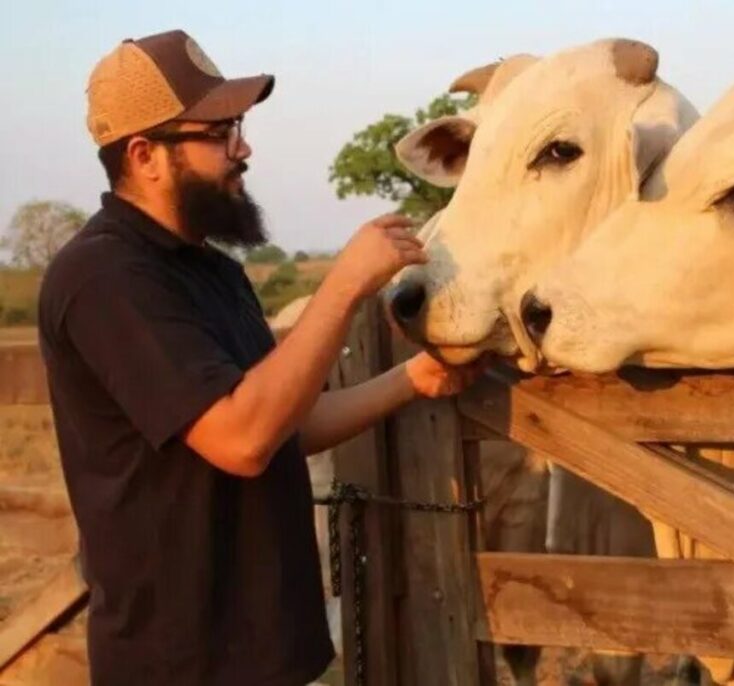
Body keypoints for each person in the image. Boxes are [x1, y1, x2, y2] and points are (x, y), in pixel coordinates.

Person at [37, 29, 480, 686]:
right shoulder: (103, 277)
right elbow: (242, 439)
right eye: (219, 133)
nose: (242, 149)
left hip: (268, 654)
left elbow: (284, 425)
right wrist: (344, 285)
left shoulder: (214, 273)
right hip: (180, 665)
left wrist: (414, 377)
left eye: (237, 128)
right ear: (145, 155)